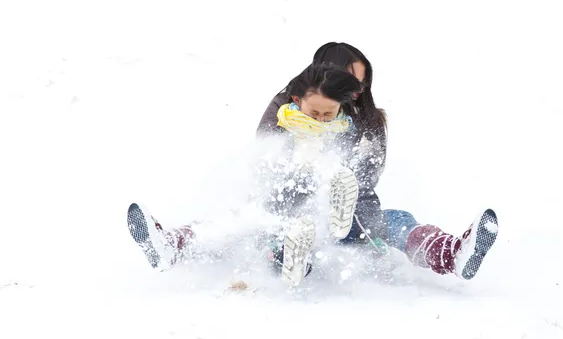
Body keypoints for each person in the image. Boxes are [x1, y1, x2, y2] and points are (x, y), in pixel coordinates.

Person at [257, 42, 499, 283]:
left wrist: (349, 178)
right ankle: (291, 259)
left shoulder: (363, 120)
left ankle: (449, 253)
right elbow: (268, 158)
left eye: (361, 84)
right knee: (290, 229)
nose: (356, 91)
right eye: (349, 81)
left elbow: (368, 177)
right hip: (291, 205)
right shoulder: (287, 109)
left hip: (350, 212)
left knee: (394, 221)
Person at [126, 62, 363, 287]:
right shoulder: (282, 117)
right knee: (239, 224)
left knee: (302, 229)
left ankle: (304, 249)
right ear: (296, 100)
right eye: (313, 113)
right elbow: (265, 158)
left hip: (318, 209)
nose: (320, 120)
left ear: (340, 108)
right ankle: (171, 244)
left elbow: (362, 175)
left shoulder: (347, 129)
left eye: (328, 115)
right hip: (275, 199)